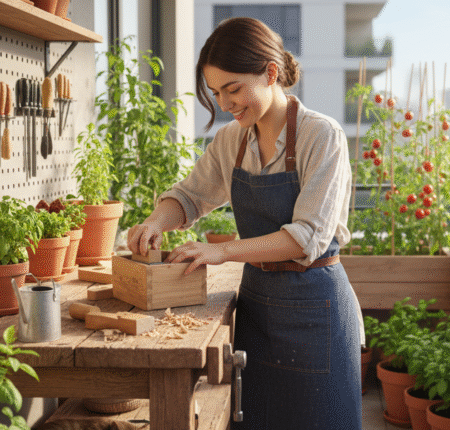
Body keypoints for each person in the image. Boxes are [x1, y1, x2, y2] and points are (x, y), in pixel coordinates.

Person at [126, 17, 363, 430]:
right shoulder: (230, 141)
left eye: (233, 89)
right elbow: (188, 197)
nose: (224, 103)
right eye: (217, 92)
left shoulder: (322, 136)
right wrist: (154, 223)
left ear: (271, 73)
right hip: (258, 307)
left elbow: (305, 238)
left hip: (316, 310)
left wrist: (222, 250)